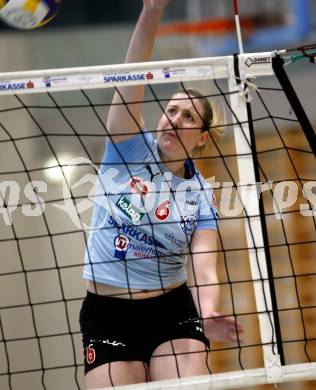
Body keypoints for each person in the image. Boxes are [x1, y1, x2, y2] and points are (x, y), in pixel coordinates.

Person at [79, 0, 243, 388]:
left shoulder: (202, 193)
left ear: (202, 137)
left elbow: (204, 268)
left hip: (173, 311)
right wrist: (151, 11)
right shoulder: (127, 148)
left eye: (188, 117)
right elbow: (130, 79)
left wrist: (210, 310)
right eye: (171, 109)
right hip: (107, 312)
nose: (175, 119)